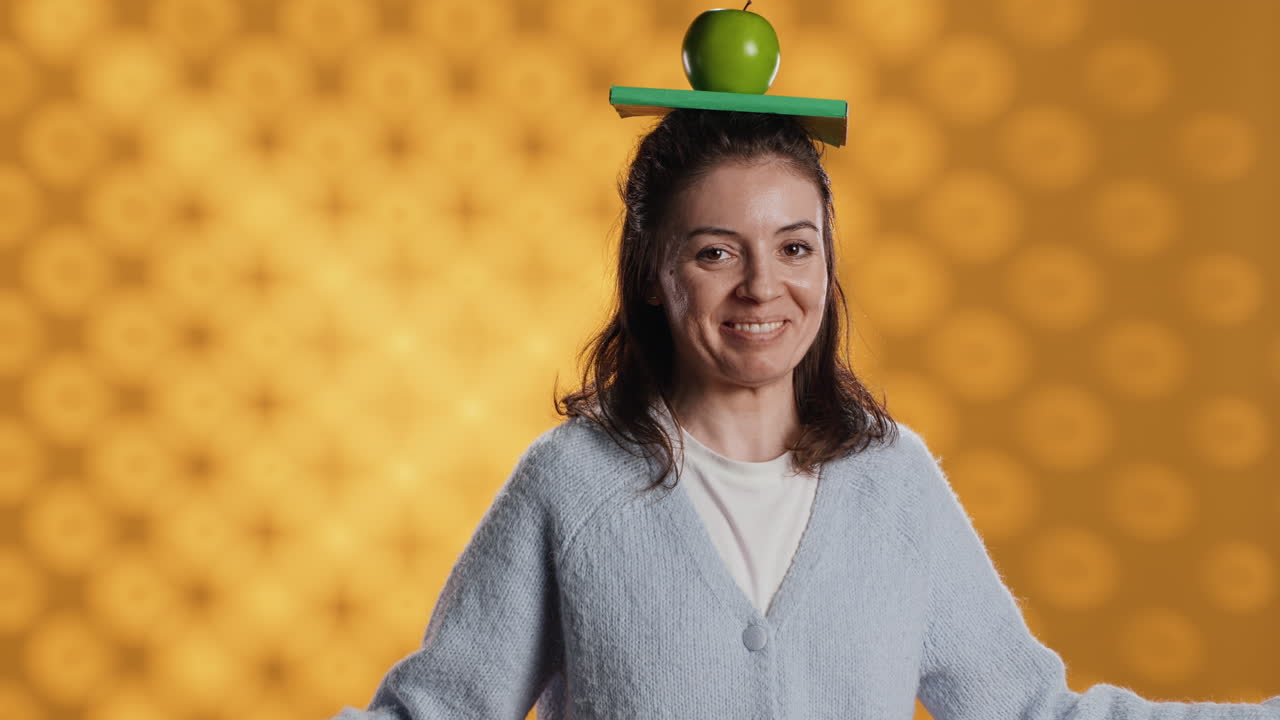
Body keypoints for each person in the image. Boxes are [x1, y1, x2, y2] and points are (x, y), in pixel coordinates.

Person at [329, 109, 1280, 719]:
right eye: (714, 253)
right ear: (654, 275)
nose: (762, 288)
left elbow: (1029, 711)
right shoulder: (572, 483)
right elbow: (440, 713)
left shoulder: (892, 481)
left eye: (794, 248)